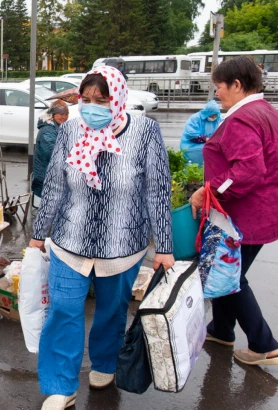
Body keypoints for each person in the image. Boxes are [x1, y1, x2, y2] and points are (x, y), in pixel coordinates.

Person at [29, 66, 174, 410]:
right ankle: (61, 386)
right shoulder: (69, 131)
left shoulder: (145, 132)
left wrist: (165, 247)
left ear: (119, 99)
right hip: (70, 240)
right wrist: (38, 234)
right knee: (63, 310)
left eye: (102, 100)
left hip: (122, 245)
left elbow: (157, 191)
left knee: (112, 310)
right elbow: (54, 184)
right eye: (86, 99)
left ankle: (105, 363)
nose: (92, 107)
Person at [189, 56, 278, 366]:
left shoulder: (242, 119)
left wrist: (210, 190)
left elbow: (249, 171)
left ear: (237, 85)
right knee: (226, 274)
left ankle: (263, 344)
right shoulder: (265, 111)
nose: (217, 94)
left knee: (231, 276)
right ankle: (222, 329)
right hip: (262, 213)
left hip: (244, 217)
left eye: (219, 87)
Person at [32, 99, 69, 198]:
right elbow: (52, 153)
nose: (64, 117)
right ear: (53, 114)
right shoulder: (47, 130)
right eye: (61, 114)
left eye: (66, 114)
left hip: (55, 172)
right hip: (46, 177)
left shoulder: (58, 127)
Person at [180, 100, 221, 165]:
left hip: (209, 144)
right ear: (207, 113)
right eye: (212, 115)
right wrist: (206, 139)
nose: (213, 117)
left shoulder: (218, 119)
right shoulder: (196, 118)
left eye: (215, 115)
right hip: (191, 145)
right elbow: (191, 135)